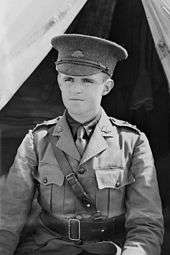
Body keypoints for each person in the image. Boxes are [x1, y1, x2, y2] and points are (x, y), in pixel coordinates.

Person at [0, 34, 164, 255]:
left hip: (109, 249)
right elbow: (8, 219)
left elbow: (146, 224)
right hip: (48, 248)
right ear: (59, 82)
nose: (76, 89)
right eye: (68, 79)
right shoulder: (36, 141)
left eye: (87, 81)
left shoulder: (132, 142)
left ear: (106, 87)